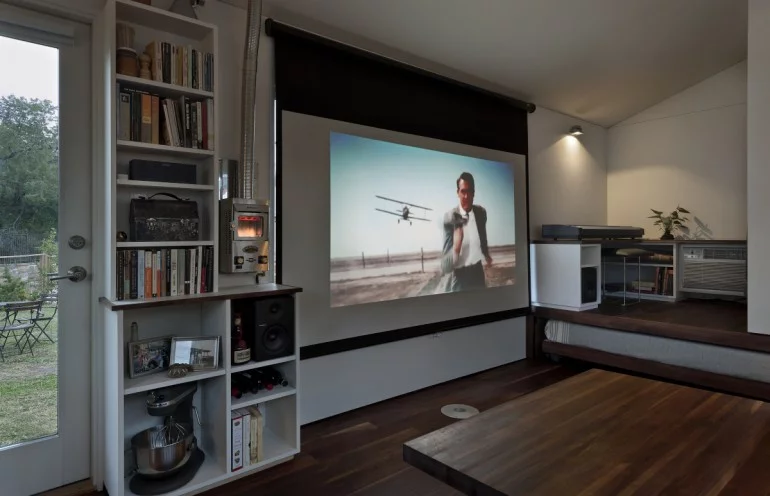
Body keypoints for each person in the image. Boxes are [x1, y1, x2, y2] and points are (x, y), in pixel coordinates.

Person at [440, 172, 493, 291]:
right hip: (459, 276)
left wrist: (486, 253)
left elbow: (482, 235)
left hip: (477, 272)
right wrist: (456, 248)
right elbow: (445, 264)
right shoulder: (449, 217)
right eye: (463, 191)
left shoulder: (481, 213)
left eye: (469, 192)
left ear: (474, 193)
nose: (466, 196)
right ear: (457, 192)